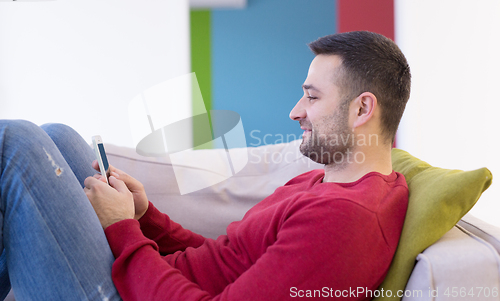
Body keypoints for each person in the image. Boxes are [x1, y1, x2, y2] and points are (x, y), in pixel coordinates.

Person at [0, 31, 411, 300]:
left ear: (362, 109)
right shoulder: (321, 182)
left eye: (312, 97)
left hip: (132, 293)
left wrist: (121, 230)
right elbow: (225, 258)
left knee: (16, 144)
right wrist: (145, 219)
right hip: (151, 281)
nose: (295, 111)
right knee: (59, 135)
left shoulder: (346, 219)